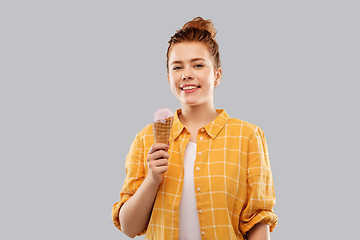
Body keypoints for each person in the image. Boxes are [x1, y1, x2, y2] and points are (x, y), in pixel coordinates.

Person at [112, 16, 278, 240]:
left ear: (217, 75)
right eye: (177, 67)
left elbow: (258, 221)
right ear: (169, 77)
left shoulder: (247, 137)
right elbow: (129, 227)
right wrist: (152, 179)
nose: (186, 74)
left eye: (198, 65)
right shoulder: (145, 139)